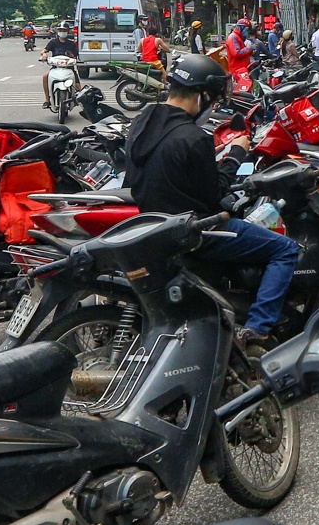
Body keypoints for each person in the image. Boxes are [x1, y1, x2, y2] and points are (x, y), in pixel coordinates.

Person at [125, 55, 298, 348]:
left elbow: (172, 163)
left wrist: (216, 152)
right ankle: (258, 328)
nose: (212, 107)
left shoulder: (143, 121)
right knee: (286, 249)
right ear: (202, 95)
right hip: (198, 232)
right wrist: (235, 155)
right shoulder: (193, 137)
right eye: (213, 100)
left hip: (157, 226)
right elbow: (215, 193)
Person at [40, 25, 78, 105]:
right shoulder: (53, 42)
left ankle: (78, 100)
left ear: (68, 31)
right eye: (61, 30)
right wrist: (44, 54)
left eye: (64, 30)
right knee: (45, 77)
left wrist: (71, 55)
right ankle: (47, 99)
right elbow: (45, 50)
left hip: (69, 68)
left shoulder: (71, 44)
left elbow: (75, 57)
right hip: (55, 67)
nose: (62, 32)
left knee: (78, 86)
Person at [224, 19, 256, 92]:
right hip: (238, 71)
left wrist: (251, 51)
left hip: (242, 70)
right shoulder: (233, 37)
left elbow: (243, 52)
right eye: (247, 30)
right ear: (241, 28)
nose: (247, 32)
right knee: (243, 91)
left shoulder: (238, 37)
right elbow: (236, 53)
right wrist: (249, 48)